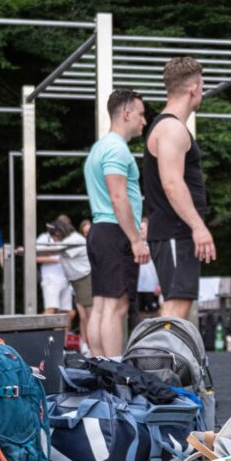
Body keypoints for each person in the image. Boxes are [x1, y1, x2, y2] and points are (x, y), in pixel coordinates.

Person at [143, 56, 216, 319]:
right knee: (176, 304)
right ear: (194, 88)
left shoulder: (169, 126)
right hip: (175, 230)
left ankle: (169, 359)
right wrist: (198, 227)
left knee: (180, 303)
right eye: (203, 87)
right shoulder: (172, 128)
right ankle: (161, 360)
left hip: (176, 230)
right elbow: (171, 183)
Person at [83, 89, 150, 358]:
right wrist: (136, 239)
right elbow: (118, 195)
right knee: (116, 307)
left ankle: (102, 370)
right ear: (126, 113)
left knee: (101, 305)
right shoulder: (116, 149)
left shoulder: (99, 147)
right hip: (115, 232)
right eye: (141, 114)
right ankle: (114, 374)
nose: (144, 121)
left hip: (102, 231)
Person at [46, 216, 93, 348]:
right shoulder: (68, 240)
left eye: (54, 236)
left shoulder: (74, 240)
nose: (53, 239)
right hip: (77, 281)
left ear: (59, 233)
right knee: (83, 317)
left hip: (85, 279)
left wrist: (31, 251)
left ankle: (90, 346)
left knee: (90, 316)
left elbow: (54, 250)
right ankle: (85, 345)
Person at [36, 225, 74, 325]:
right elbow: (36, 257)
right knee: (50, 310)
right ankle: (37, 334)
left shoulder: (65, 239)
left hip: (65, 279)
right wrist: (57, 260)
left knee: (67, 313)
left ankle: (62, 340)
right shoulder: (44, 238)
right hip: (51, 279)